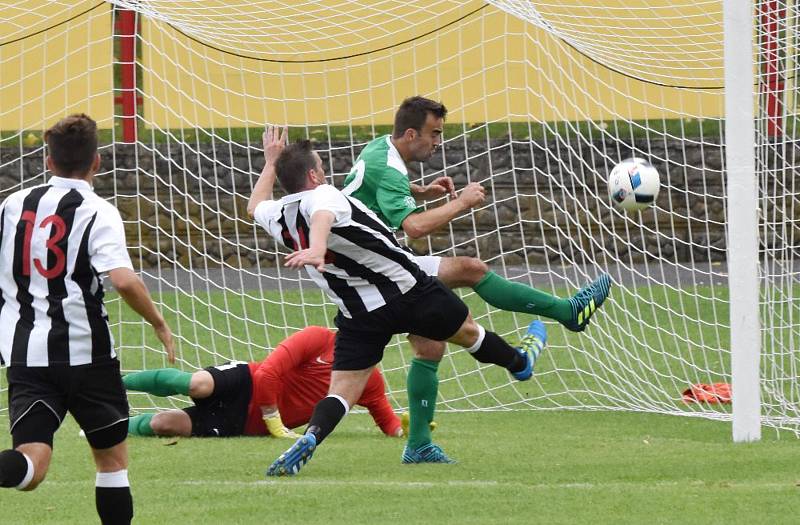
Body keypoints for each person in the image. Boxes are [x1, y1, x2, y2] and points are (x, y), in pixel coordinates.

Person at [247, 126, 546, 476]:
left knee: (342, 392)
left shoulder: (278, 215)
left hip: (359, 314)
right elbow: (322, 217)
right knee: (469, 333)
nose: (327, 173)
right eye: (323, 167)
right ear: (313, 175)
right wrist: (315, 247)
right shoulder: (323, 196)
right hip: (408, 290)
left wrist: (270, 162)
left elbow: (255, 205)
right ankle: (519, 362)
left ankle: (313, 435)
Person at [341, 95, 610, 453]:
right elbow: (415, 228)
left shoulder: (380, 150)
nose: (438, 141)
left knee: (431, 341)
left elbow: (369, 195)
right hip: (372, 268)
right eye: (433, 133)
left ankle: (420, 445)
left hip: (368, 261)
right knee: (469, 276)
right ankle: (559, 320)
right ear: (409, 134)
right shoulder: (390, 168)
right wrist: (461, 202)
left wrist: (421, 191)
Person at [0, 114, 174, 525]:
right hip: (88, 356)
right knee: (111, 462)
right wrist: (157, 322)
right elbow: (124, 280)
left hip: (27, 355)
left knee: (31, 467)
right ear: (97, 162)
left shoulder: (11, 205)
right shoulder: (100, 211)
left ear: (47, 160)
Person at [123, 325, 405, 439]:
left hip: (245, 424)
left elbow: (387, 422)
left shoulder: (368, 378)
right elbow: (266, 374)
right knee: (198, 384)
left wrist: (407, 427)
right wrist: (274, 419)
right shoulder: (318, 338)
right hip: (245, 382)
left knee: (163, 424)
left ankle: (109, 426)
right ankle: (116, 381)